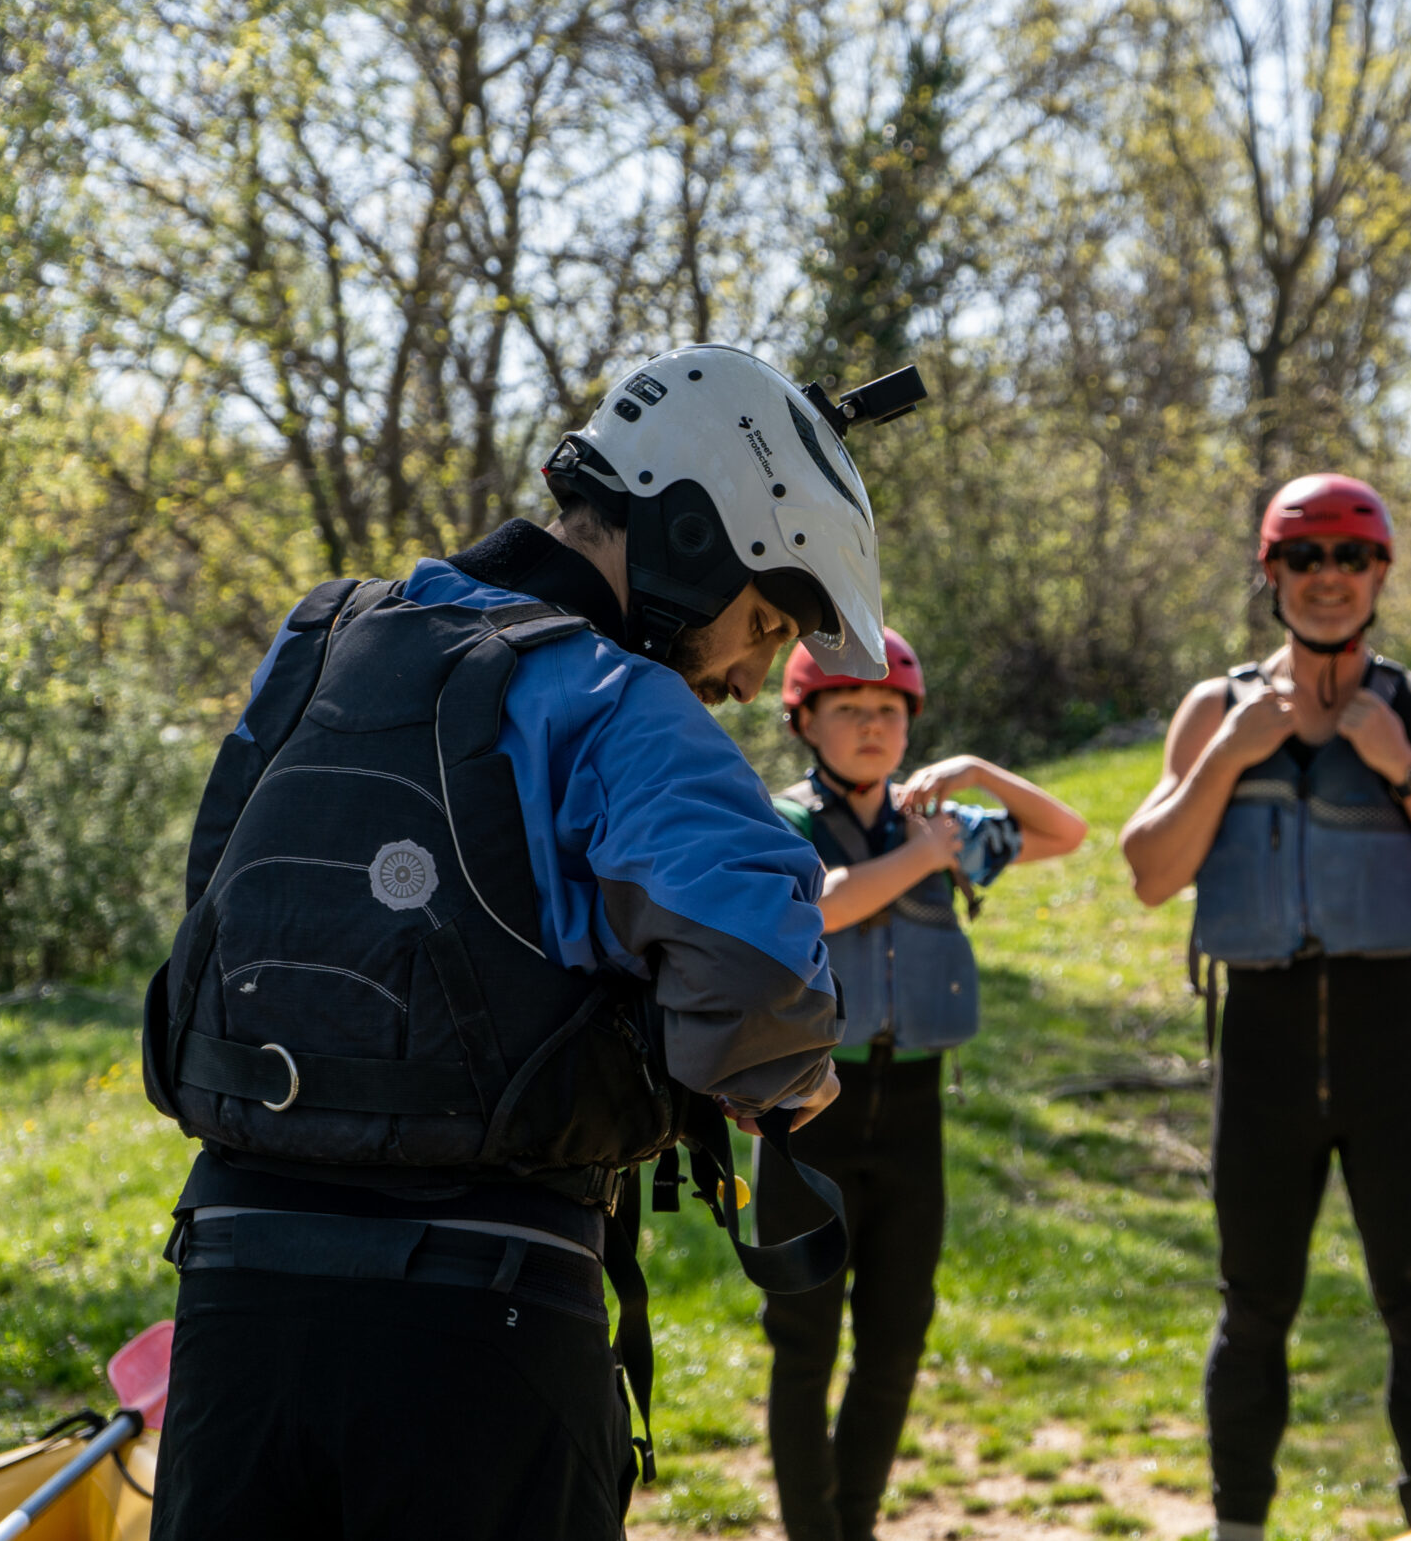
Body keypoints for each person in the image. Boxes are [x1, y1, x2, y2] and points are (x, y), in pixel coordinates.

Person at [139, 345, 915, 1541]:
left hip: (236, 1296)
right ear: (696, 539)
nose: (754, 676)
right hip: (478, 1326)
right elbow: (760, 985)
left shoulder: (321, 638)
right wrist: (788, 1083)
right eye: (762, 620)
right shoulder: (619, 697)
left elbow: (216, 894)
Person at [1119, 474, 1411, 1537]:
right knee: (1252, 1310)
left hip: (1394, 1042)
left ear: (1382, 572)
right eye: (1304, 558)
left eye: (1350, 558)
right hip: (1261, 1046)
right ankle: (1238, 1527)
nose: (1328, 580)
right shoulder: (1213, 709)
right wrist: (1229, 754)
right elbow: (1150, 871)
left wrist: (1405, 771)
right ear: (1270, 573)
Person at [758, 629, 1089, 1541]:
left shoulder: (938, 815)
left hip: (911, 1114)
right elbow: (820, 903)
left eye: (890, 711)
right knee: (804, 1345)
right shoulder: (781, 819)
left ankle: (853, 1525)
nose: (872, 725)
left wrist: (979, 770)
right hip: (806, 1118)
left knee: (896, 1340)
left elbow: (1068, 832)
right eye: (849, 708)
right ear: (806, 721)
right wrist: (928, 851)